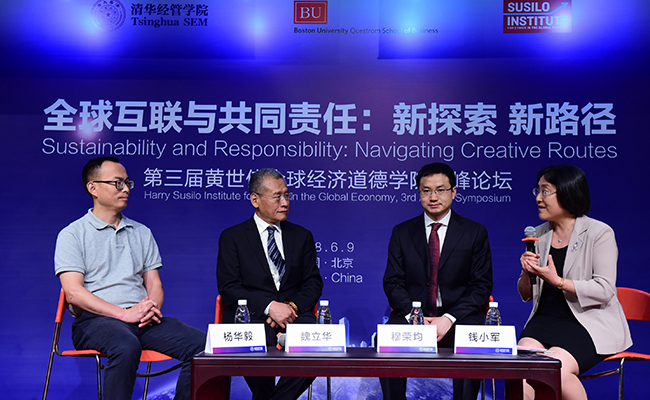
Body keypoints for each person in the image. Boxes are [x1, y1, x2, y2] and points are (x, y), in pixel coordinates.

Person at [54, 157, 206, 400]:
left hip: (141, 320)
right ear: (93, 188)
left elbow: (154, 283)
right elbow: (73, 293)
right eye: (117, 183)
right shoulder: (72, 234)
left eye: (127, 183)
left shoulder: (141, 232)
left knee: (205, 347)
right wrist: (123, 314)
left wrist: (150, 308)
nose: (125, 189)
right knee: (125, 345)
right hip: (95, 321)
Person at [518, 164, 631, 400]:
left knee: (554, 369)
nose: (538, 198)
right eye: (537, 191)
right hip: (544, 320)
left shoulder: (599, 233)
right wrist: (526, 273)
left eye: (545, 191)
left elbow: (605, 289)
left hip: (586, 322)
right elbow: (526, 294)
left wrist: (558, 281)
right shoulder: (538, 235)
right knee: (519, 371)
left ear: (567, 192)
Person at [381, 162, 493, 400]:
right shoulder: (402, 232)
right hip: (413, 316)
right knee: (387, 338)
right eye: (426, 191)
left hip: (459, 316)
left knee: (469, 340)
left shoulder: (474, 232)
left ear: (453, 192)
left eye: (440, 190)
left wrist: (448, 318)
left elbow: (481, 285)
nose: (433, 197)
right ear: (419, 194)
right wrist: (414, 316)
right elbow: (392, 282)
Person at [216, 168, 323, 400]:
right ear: (255, 200)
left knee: (314, 345)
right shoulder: (233, 237)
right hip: (251, 315)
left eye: (287, 195)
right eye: (277, 197)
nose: (285, 202)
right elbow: (229, 286)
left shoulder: (302, 236)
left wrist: (291, 307)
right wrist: (270, 307)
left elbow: (313, 282)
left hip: (294, 314)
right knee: (256, 341)